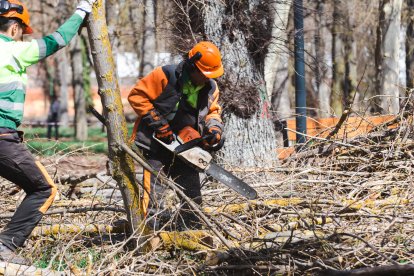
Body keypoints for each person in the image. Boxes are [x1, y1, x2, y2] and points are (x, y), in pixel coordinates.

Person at [0, 0, 97, 264]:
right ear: (14, 28)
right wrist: (81, 12)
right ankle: (5, 246)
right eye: (22, 31)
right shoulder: (13, 50)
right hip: (2, 137)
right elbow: (58, 39)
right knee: (44, 189)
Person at [128, 41, 225, 230]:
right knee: (155, 193)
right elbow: (137, 96)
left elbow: (213, 112)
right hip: (156, 146)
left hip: (186, 148)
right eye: (204, 75)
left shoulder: (211, 88)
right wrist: (159, 124)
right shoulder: (165, 75)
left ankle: (192, 230)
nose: (206, 79)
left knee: (192, 193)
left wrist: (214, 129)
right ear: (192, 65)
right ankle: (148, 234)